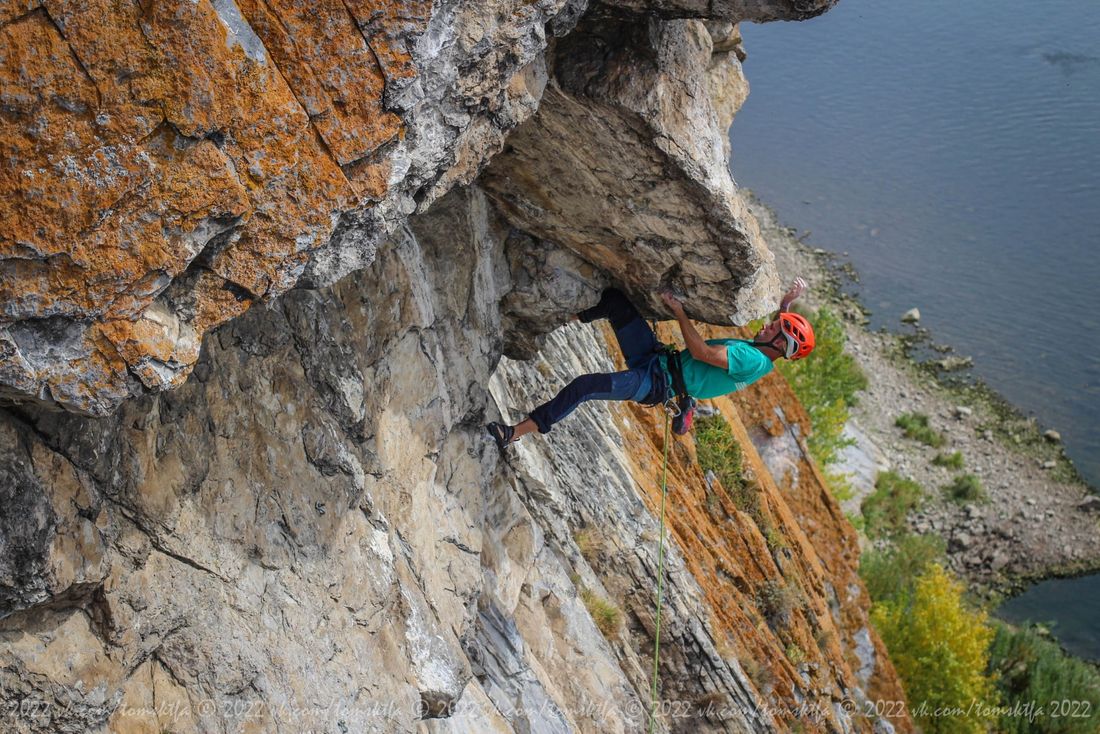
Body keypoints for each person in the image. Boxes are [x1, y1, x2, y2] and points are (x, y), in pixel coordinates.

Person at [486, 278, 815, 450]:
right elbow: (774, 332)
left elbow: (701, 352)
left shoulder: (751, 356)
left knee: (585, 387)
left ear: (779, 344)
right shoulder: (764, 356)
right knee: (616, 303)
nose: (770, 324)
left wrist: (679, 311)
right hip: (658, 359)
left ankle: (515, 432)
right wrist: (788, 302)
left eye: (776, 327)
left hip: (656, 383)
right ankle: (558, 318)